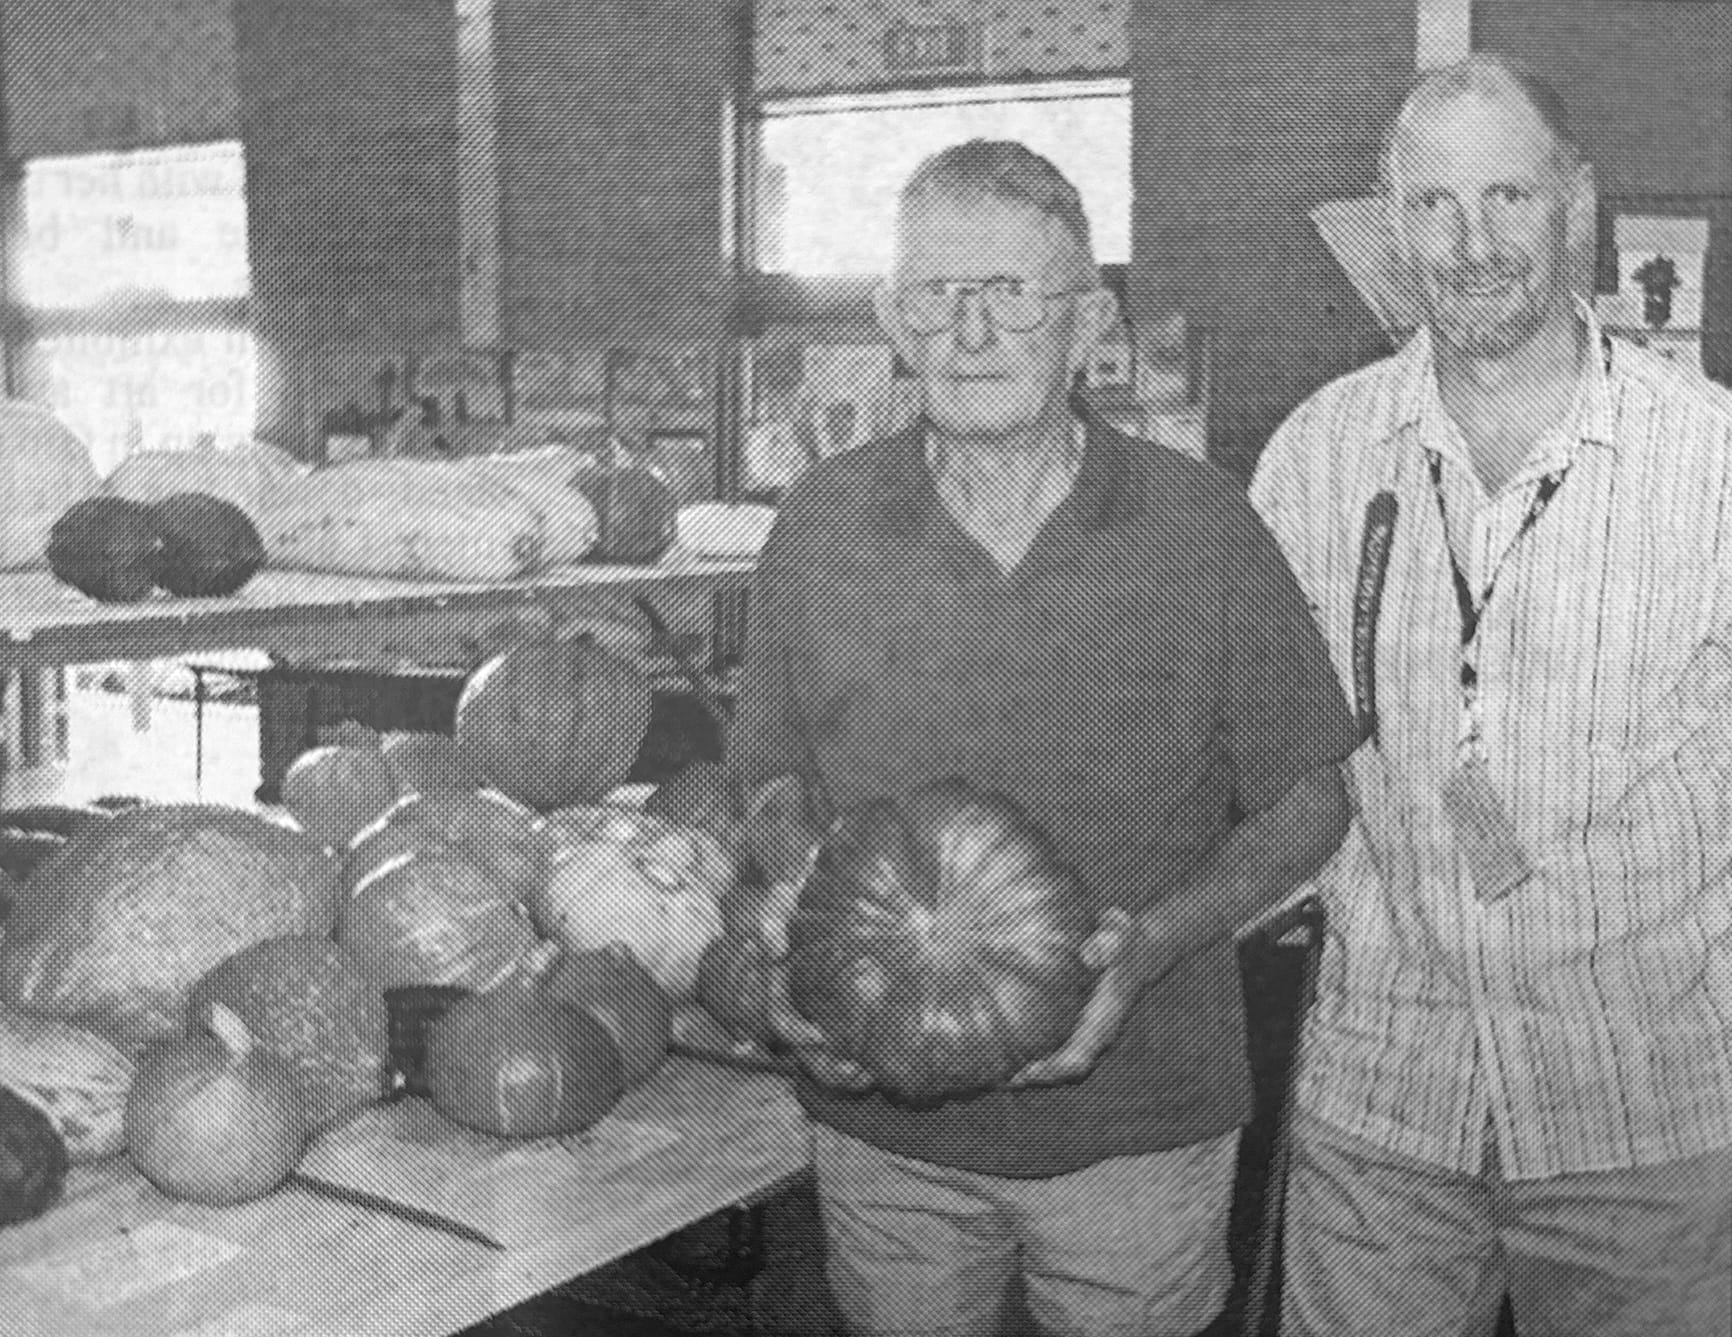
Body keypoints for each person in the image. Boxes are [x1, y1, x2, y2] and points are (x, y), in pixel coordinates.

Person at [731, 138, 1358, 1337]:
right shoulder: (819, 523)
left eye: (1012, 294)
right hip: (884, 1135)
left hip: (1138, 1133)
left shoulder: (1202, 530)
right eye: (935, 296)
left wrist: (1157, 940)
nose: (970, 335)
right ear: (890, 321)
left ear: (1088, 322)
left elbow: (1312, 801)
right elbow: (769, 775)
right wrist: (789, 931)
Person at [1248, 54, 1732, 1337]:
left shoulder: (1712, 460)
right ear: (1391, 216)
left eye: (1509, 197)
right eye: (1434, 205)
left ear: (1577, 199)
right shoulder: (1313, 456)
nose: (1472, 244)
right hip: (1385, 1102)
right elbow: (1265, 763)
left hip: (1645, 1112)